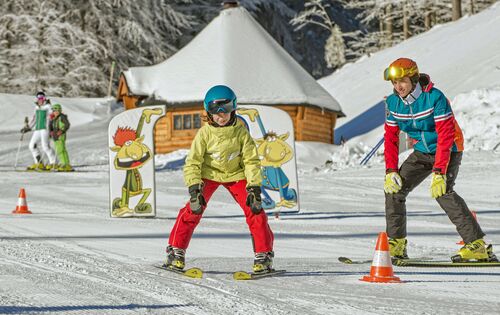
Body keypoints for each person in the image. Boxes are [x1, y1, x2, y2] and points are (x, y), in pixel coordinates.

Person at [383, 57, 496, 262]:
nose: (398, 87)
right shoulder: (393, 103)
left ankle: (476, 245)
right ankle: (397, 243)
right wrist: (390, 170)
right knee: (394, 188)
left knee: (442, 191)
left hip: (449, 147)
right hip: (423, 150)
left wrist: (439, 171)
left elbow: (445, 135)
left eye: (402, 81)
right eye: (394, 83)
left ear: (414, 79)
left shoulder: (435, 98)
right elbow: (390, 138)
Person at [164, 85, 275, 273]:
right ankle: (176, 251)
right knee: (193, 208)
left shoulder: (241, 133)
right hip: (209, 175)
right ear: (209, 113)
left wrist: (254, 188)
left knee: (255, 209)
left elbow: (251, 161)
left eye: (225, 112)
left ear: (233, 110)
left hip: (236, 175)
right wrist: (194, 188)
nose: (221, 117)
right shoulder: (205, 134)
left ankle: (264, 255)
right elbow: (193, 162)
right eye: (216, 113)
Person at [21, 91, 57, 171]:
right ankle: (39, 163)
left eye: (42, 98)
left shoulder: (48, 106)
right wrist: (28, 128)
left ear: (44, 98)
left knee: (45, 146)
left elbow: (53, 118)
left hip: (45, 128)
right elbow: (34, 120)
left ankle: (53, 163)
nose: (40, 100)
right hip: (38, 129)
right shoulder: (37, 107)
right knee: (31, 145)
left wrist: (52, 128)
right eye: (38, 98)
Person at [49, 103, 73, 172]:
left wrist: (61, 131)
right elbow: (51, 127)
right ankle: (65, 163)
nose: (55, 112)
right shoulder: (53, 118)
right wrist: (51, 132)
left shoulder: (62, 117)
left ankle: (65, 164)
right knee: (60, 149)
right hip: (55, 136)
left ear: (59, 110)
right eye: (53, 111)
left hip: (60, 135)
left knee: (60, 150)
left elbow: (67, 124)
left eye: (56, 111)